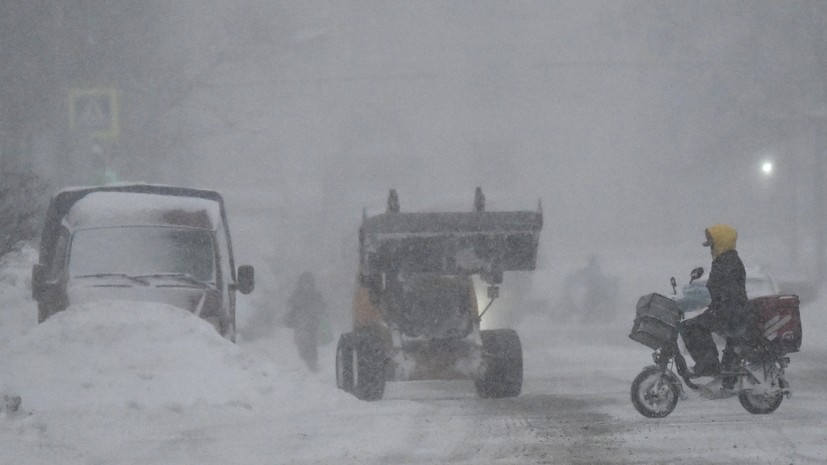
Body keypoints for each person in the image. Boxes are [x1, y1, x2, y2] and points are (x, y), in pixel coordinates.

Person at [680, 224, 750, 390]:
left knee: (691, 327)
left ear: (721, 243)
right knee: (695, 325)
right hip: (727, 309)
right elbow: (715, 288)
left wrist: (701, 295)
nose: (710, 248)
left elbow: (719, 288)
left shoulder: (728, 262)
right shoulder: (724, 260)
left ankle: (708, 364)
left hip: (730, 311)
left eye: (712, 244)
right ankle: (725, 378)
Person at [284, 271, 328, 372]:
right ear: (300, 284)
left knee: (311, 344)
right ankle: (307, 361)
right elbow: (290, 309)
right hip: (299, 325)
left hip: (312, 325)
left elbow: (323, 308)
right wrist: (289, 319)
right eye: (304, 283)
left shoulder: (316, 295)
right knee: (302, 345)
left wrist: (320, 314)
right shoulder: (296, 296)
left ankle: (312, 364)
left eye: (309, 283)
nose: (307, 285)